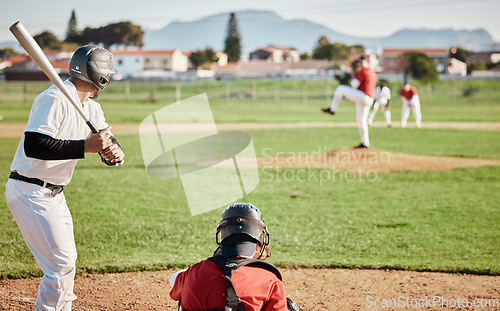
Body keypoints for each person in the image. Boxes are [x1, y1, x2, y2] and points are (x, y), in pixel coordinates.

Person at [5, 45, 124, 311]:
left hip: (54, 194)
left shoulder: (91, 108)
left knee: (66, 263)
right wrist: (85, 146)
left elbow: (104, 139)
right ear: (101, 76)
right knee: (61, 265)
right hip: (30, 190)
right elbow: (34, 145)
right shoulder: (55, 98)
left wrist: (112, 151)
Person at [170, 203, 296, 311]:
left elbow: (174, 279)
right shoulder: (270, 280)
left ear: (222, 239)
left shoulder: (194, 272)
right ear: (258, 243)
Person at [322, 55, 377, 148]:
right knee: (362, 121)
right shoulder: (373, 72)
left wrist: (354, 76)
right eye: (360, 62)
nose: (361, 64)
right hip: (369, 99)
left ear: (367, 62)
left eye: (362, 62)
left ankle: (332, 109)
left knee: (340, 88)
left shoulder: (363, 71)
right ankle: (365, 143)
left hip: (363, 96)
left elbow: (354, 84)